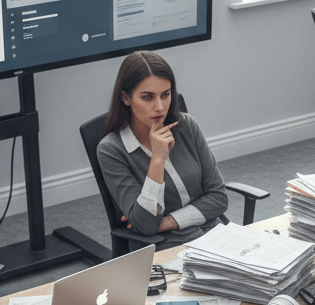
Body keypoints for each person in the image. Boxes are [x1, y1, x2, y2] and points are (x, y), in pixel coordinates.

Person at [96, 50, 229, 247]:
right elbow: (146, 224)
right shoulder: (111, 150)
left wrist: (166, 222)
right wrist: (157, 159)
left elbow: (218, 198)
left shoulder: (186, 126)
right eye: (148, 97)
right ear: (126, 98)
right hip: (165, 245)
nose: (159, 107)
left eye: (165, 95)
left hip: (213, 233)